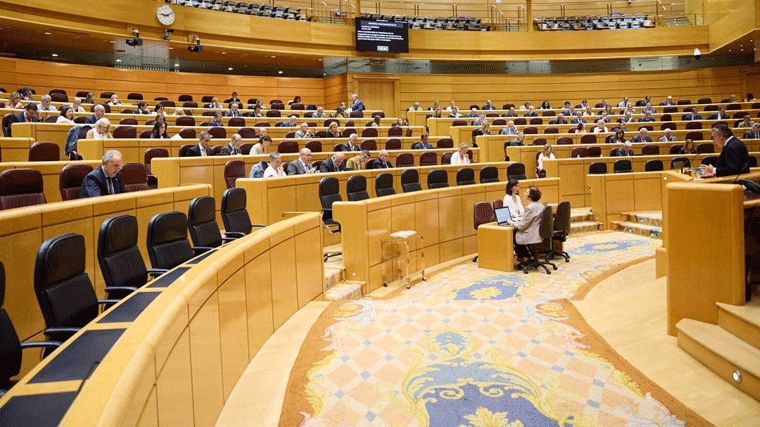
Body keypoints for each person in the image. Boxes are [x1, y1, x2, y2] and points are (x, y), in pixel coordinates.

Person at [507, 186, 544, 259]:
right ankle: (527, 256)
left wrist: (512, 223)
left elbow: (522, 226)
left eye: (526, 192)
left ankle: (524, 258)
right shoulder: (541, 205)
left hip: (531, 234)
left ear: (530, 196)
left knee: (513, 233)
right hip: (537, 233)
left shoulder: (530, 208)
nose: (524, 193)